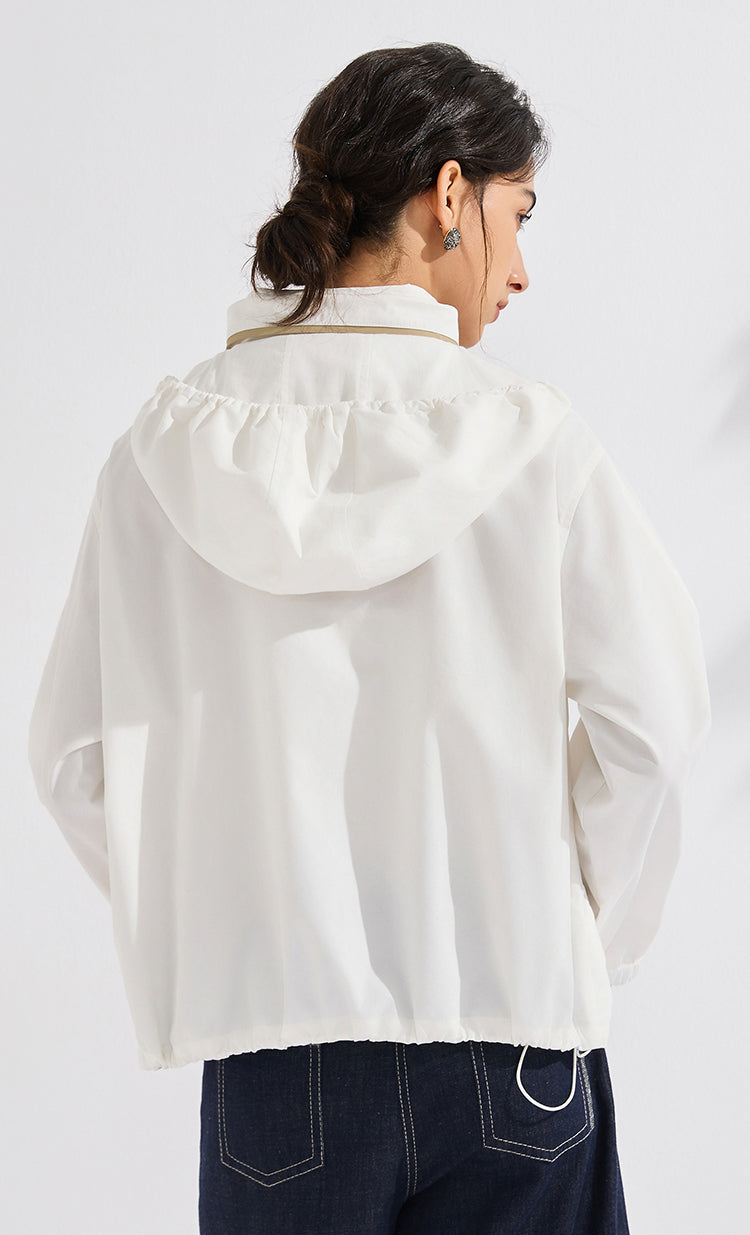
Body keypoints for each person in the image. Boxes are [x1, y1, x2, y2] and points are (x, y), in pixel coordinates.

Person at [27, 41, 711, 1235]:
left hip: (277, 1067)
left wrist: (231, 921)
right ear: (449, 195)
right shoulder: (531, 440)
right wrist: (572, 934)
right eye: (517, 214)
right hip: (514, 1043)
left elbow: (73, 757)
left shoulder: (161, 451)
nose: (522, 269)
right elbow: (652, 725)